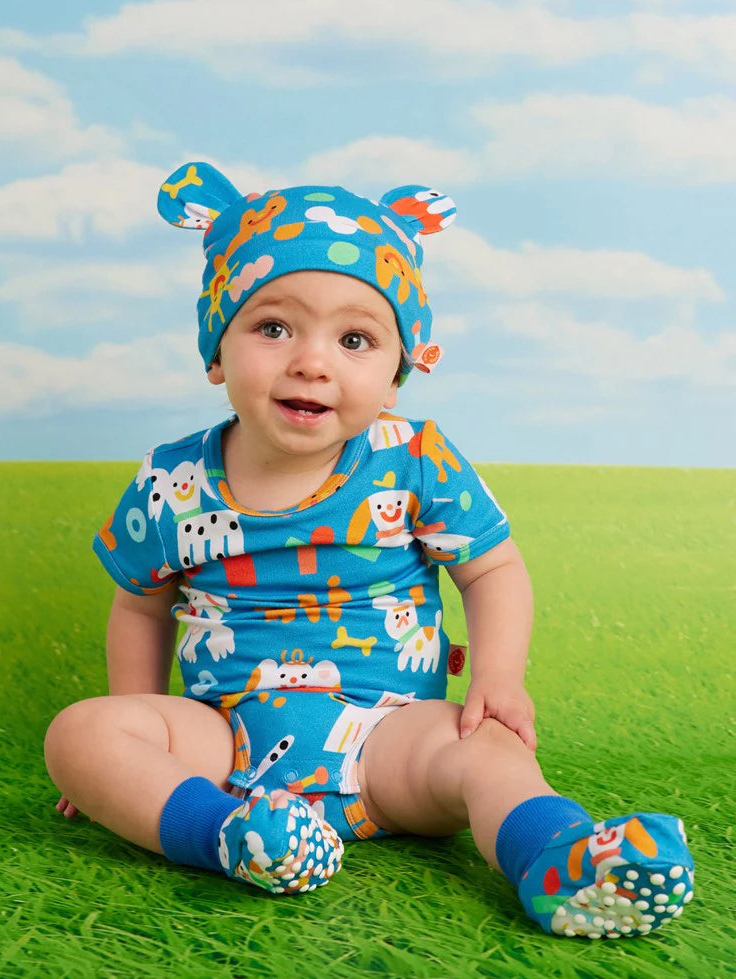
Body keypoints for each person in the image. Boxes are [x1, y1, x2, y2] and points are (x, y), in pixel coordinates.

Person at [44, 161, 694, 936]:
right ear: (217, 352)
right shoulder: (174, 479)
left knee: (485, 750)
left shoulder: (414, 457)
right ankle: (226, 838)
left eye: (355, 338)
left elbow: (491, 568)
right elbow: (139, 606)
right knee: (80, 733)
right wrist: (138, 725)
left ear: (394, 377)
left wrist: (498, 678)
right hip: (223, 746)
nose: (312, 361)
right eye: (273, 327)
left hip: (389, 738)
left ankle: (556, 857)